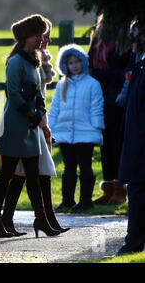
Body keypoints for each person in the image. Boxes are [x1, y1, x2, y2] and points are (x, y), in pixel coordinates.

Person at [0, 14, 60, 238]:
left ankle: (41, 220)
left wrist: (40, 111)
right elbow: (13, 93)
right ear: (26, 37)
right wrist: (31, 113)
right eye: (38, 35)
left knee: (33, 173)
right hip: (15, 126)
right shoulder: (16, 62)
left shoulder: (33, 62)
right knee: (7, 175)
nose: (42, 39)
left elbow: (38, 93)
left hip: (30, 126)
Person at [49, 44, 105, 213]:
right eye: (71, 63)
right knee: (69, 168)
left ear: (84, 62)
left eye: (77, 61)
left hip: (85, 132)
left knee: (85, 167)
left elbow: (97, 106)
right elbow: (55, 107)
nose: (74, 65)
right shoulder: (62, 85)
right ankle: (67, 200)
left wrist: (97, 127)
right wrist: (50, 127)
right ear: (65, 66)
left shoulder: (92, 84)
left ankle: (86, 200)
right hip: (65, 132)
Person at [89, 15, 131, 206]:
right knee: (105, 145)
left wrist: (105, 76)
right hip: (100, 98)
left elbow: (126, 71)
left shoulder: (127, 39)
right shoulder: (98, 37)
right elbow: (91, 65)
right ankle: (108, 188)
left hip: (117, 100)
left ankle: (120, 189)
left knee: (118, 143)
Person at [116, 28, 145, 256]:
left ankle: (133, 243)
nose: (131, 43)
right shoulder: (138, 66)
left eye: (135, 37)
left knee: (138, 192)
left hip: (141, 145)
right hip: (136, 143)